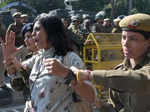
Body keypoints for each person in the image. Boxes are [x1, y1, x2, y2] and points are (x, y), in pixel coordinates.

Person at [44, 13, 150, 112]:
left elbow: (141, 79)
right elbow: (115, 108)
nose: (125, 43)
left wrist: (88, 75)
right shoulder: (120, 71)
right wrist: (98, 104)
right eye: (123, 37)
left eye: (133, 39)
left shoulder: (122, 75)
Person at [4, 13, 94, 112]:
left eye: (37, 29)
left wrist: (66, 73)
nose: (33, 34)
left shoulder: (70, 58)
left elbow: (91, 96)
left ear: (51, 32)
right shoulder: (38, 58)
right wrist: (10, 60)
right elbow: (17, 71)